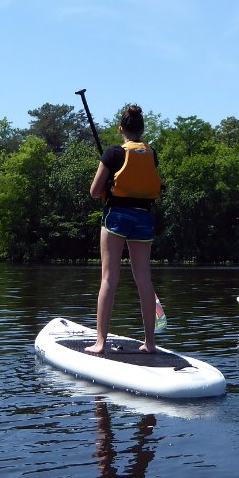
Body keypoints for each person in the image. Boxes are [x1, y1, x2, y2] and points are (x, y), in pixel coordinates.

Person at [85, 104, 161, 355]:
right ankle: (150, 343)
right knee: (144, 279)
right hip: (143, 218)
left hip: (117, 217)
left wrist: (108, 185)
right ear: (142, 129)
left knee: (109, 278)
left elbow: (95, 192)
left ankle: (100, 343)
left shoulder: (113, 153)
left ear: (121, 129)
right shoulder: (152, 153)